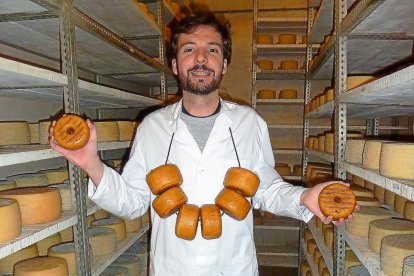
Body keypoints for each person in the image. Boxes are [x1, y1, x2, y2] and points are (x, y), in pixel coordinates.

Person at [50, 11, 354, 276]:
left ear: (223, 65)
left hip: (233, 268)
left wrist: (304, 198)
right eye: (189, 49)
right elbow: (132, 202)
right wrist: (91, 163)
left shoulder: (250, 123)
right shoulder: (152, 127)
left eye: (212, 50)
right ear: (175, 65)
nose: (200, 58)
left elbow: (266, 190)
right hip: (173, 268)